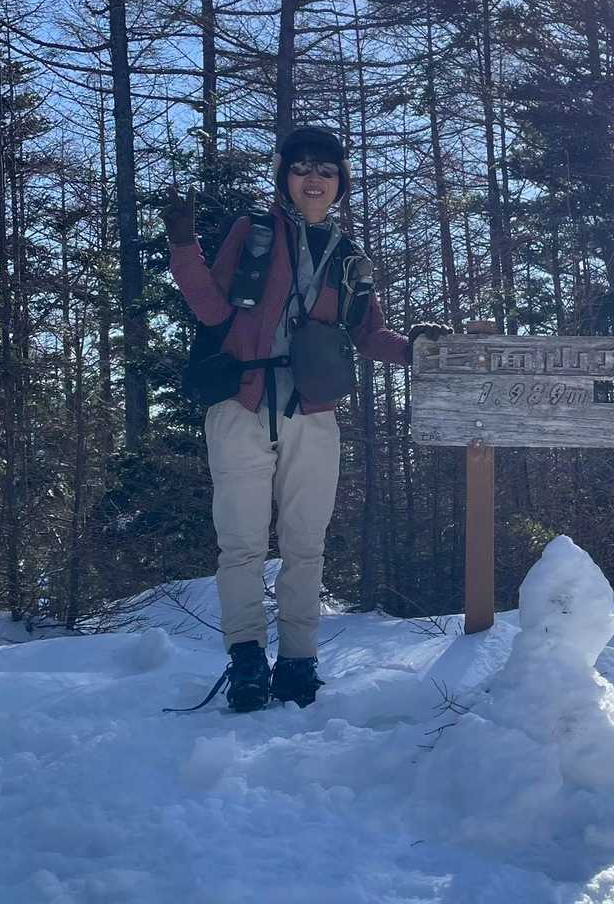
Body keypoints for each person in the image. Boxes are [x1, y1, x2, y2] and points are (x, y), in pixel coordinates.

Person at [163, 125, 448, 712]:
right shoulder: (254, 232)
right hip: (242, 405)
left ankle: (299, 662)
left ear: (340, 182)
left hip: (314, 414)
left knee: (305, 545)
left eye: (326, 169)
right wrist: (183, 244)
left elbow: (368, 335)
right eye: (301, 168)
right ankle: (247, 661)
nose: (313, 179)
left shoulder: (349, 256)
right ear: (283, 177)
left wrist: (414, 348)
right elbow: (211, 307)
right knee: (241, 544)